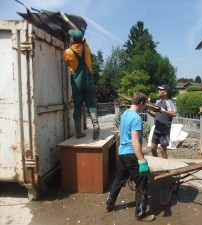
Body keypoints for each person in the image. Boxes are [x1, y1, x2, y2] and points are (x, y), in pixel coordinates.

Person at [106, 92, 155, 222]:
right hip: (131, 154)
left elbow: (121, 134)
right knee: (142, 182)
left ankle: (109, 204)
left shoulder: (125, 114)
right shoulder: (136, 118)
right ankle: (140, 214)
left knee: (119, 180)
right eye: (145, 105)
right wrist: (141, 160)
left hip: (121, 152)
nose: (145, 107)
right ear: (142, 103)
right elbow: (135, 142)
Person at [59, 12, 100, 140]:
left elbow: (66, 63)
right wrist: (67, 20)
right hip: (88, 80)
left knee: (78, 107)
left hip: (77, 82)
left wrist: (64, 19)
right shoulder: (86, 47)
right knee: (91, 105)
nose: (69, 37)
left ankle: (79, 133)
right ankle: (96, 125)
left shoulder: (68, 52)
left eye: (70, 37)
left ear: (72, 40)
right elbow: (77, 31)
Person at [148, 85, 176, 159]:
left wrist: (163, 110)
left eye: (161, 90)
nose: (158, 91)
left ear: (165, 92)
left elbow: (174, 114)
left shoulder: (169, 102)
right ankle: (157, 163)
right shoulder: (157, 102)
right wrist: (148, 111)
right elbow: (155, 115)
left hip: (164, 130)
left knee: (163, 150)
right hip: (157, 130)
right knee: (152, 148)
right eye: (159, 90)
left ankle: (164, 167)